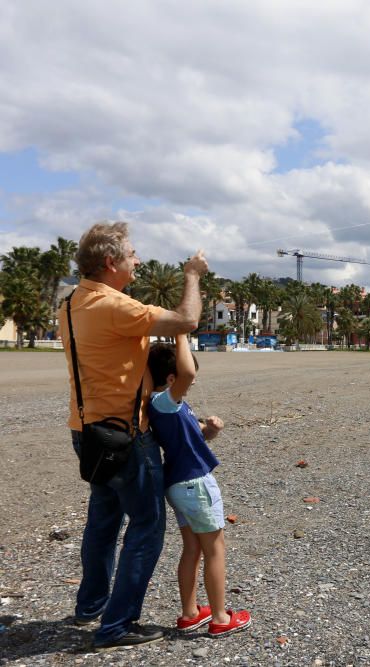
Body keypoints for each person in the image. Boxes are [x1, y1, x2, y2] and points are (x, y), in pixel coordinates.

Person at [58, 222, 208, 651]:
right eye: (131, 254)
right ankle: (117, 624)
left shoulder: (70, 303)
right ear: (111, 263)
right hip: (126, 436)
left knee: (103, 519)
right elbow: (187, 320)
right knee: (146, 524)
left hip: (86, 430)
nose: (137, 260)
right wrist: (192, 275)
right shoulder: (114, 306)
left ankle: (91, 606)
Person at [147, 336, 251, 637]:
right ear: (171, 378)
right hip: (194, 484)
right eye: (185, 380)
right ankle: (221, 618)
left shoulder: (167, 405)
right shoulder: (164, 401)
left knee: (192, 548)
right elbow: (188, 372)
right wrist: (182, 331)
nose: (191, 383)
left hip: (179, 483)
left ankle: (190, 613)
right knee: (215, 549)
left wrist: (211, 430)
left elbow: (192, 439)